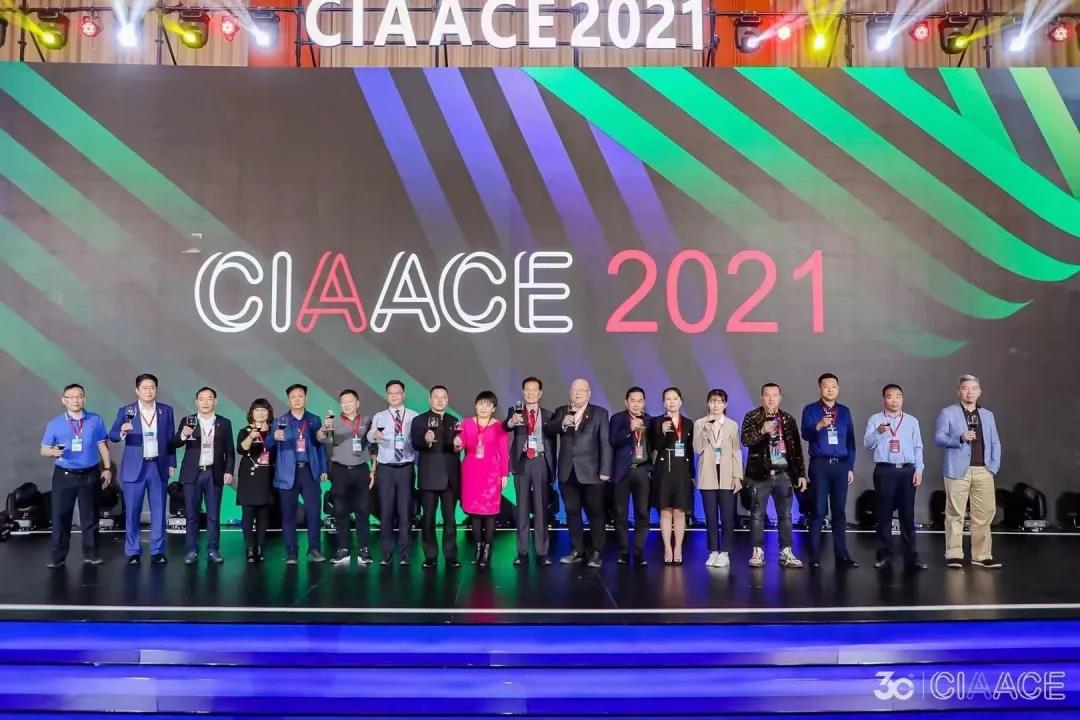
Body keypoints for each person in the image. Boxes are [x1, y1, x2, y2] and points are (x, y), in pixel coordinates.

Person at [40, 383, 112, 568]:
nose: (75, 400)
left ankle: (92, 554)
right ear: (64, 400)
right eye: (71, 397)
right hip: (64, 476)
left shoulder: (95, 420)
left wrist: (106, 468)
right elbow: (43, 450)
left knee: (90, 517)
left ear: (84, 399)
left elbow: (103, 446)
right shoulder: (55, 424)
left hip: (90, 474)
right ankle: (57, 557)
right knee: (60, 517)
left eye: (79, 396)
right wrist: (53, 452)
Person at [934, 374, 1003, 570]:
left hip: (984, 470)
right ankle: (954, 554)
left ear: (979, 392)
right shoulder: (948, 412)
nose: (969, 392)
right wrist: (960, 437)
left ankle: (982, 555)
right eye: (965, 388)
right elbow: (939, 438)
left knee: (984, 515)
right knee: (955, 514)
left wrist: (993, 467)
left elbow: (995, 442)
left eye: (973, 388)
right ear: (958, 392)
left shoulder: (987, 415)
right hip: (957, 470)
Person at [109, 373, 176, 565]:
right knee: (132, 512)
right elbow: (112, 435)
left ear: (156, 389)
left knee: (159, 511)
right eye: (145, 387)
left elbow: (170, 438)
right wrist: (122, 431)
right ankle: (133, 551)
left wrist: (172, 462)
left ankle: (158, 551)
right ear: (137, 390)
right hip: (134, 468)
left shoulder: (166, 411)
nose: (149, 391)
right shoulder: (126, 410)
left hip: (158, 465)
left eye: (152, 387)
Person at [546, 378, 612, 568]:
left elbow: (605, 443)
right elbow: (549, 429)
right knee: (572, 513)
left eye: (582, 390)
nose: (578, 393)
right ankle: (577, 550)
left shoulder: (600, 413)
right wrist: (563, 423)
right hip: (567, 472)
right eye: (575, 390)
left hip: (592, 473)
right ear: (570, 393)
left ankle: (597, 552)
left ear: (589, 394)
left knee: (595, 513)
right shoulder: (561, 411)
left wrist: (605, 469)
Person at [740, 383, 807, 569]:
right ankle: (757, 552)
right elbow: (745, 440)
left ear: (780, 397)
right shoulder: (752, 416)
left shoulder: (788, 419)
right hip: (759, 475)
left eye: (774, 395)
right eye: (767, 395)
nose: (771, 399)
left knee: (785, 515)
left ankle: (786, 552)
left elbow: (796, 449)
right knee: (757, 514)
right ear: (762, 397)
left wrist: (801, 474)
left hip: (783, 473)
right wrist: (762, 431)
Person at [864, 384, 927, 572]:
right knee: (884, 514)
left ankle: (911, 557)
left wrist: (919, 470)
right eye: (890, 396)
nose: (894, 400)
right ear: (883, 399)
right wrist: (878, 432)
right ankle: (884, 556)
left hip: (907, 470)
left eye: (898, 396)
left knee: (907, 515)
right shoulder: (875, 419)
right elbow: (867, 444)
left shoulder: (912, 421)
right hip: (885, 470)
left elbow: (918, 447)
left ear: (902, 399)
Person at [170, 387, 235, 565]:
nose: (205, 402)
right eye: (201, 399)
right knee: (192, 515)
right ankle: (191, 550)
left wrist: (229, 471)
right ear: (196, 402)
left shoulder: (224, 423)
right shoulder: (188, 421)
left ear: (216, 401)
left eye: (209, 398)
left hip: (214, 472)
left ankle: (213, 549)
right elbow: (175, 442)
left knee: (213, 515)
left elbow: (230, 451)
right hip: (192, 473)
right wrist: (183, 434)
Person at [265, 383, 329, 565]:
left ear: (306, 398)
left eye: (300, 396)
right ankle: (291, 550)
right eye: (293, 396)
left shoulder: (314, 420)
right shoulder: (280, 421)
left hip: (309, 470)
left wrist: (324, 468)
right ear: (289, 400)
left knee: (314, 511)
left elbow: (321, 446)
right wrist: (273, 437)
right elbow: (268, 445)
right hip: (287, 473)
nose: (297, 399)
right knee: (288, 514)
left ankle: (314, 548)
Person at [800, 373, 859, 569]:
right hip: (820, 465)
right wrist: (819, 425)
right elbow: (805, 434)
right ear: (819, 389)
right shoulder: (810, 409)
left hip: (841, 465)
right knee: (818, 510)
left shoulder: (844, 411)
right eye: (826, 386)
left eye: (834, 386)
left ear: (838, 388)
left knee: (839, 511)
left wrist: (850, 466)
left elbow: (850, 441)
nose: (830, 389)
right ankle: (814, 555)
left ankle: (842, 554)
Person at [503, 377, 556, 566]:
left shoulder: (549, 414)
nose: (531, 393)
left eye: (534, 390)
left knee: (541, 507)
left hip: (540, 460)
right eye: (527, 389)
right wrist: (511, 422)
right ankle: (522, 551)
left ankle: (542, 552)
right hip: (522, 461)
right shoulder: (515, 411)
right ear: (523, 392)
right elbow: (504, 427)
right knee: (522, 508)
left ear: (540, 393)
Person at [367, 380, 419, 566]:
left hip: (405, 468)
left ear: (403, 394)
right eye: (391, 393)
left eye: (398, 393)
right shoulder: (380, 416)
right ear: (386, 395)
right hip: (386, 469)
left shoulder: (413, 416)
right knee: (386, 511)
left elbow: (419, 439)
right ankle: (386, 553)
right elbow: (369, 435)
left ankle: (404, 554)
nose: (394, 396)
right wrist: (374, 435)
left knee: (405, 513)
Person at [410, 385, 461, 569]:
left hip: (450, 478)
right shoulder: (419, 420)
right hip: (429, 477)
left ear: (448, 399)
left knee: (450, 520)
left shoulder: (454, 420)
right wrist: (426, 439)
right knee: (428, 519)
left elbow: (456, 447)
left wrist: (458, 445)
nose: (440, 400)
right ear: (429, 399)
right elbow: (416, 443)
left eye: (443, 397)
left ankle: (450, 555)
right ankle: (430, 556)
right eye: (436, 397)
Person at [323, 389, 375, 567]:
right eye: (343, 402)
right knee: (340, 511)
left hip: (361, 470)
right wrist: (324, 428)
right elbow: (321, 438)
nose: (346, 404)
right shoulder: (333, 422)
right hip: (340, 471)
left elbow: (372, 446)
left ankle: (364, 549)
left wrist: (373, 469)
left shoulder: (367, 421)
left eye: (350, 401)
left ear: (357, 403)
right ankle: (343, 549)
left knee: (363, 511)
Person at [459, 391, 511, 569]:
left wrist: (505, 474)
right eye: (481, 403)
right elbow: (460, 444)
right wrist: (457, 443)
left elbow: (504, 452)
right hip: (471, 472)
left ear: (493, 408)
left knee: (490, 513)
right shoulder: (466, 423)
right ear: (476, 405)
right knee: (474, 512)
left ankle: (488, 550)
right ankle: (478, 548)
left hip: (491, 474)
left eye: (488, 405)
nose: (484, 407)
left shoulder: (499, 427)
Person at [692, 388, 742, 569]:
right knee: (710, 517)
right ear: (708, 403)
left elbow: (736, 451)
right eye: (713, 401)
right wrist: (705, 432)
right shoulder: (700, 423)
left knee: (727, 517)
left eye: (720, 401)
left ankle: (725, 553)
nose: (716, 405)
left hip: (727, 473)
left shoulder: (732, 425)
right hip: (708, 473)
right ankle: (713, 551)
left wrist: (738, 476)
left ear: (725, 404)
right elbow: (697, 448)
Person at [650, 387, 695, 565]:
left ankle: (678, 548)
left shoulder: (689, 423)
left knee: (680, 511)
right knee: (665, 510)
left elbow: (689, 450)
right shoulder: (656, 422)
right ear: (663, 403)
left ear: (681, 401)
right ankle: (668, 547)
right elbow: (656, 446)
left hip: (682, 469)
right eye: (668, 399)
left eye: (675, 398)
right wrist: (662, 431)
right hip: (664, 469)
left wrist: (692, 474)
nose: (671, 402)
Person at [609, 386, 653, 567]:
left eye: (639, 401)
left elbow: (655, 444)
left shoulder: (650, 420)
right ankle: (624, 551)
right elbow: (613, 441)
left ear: (644, 402)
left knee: (642, 512)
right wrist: (630, 428)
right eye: (632, 400)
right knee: (620, 513)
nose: (636, 404)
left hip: (642, 469)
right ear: (626, 402)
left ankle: (639, 551)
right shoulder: (618, 418)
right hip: (622, 470)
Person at [235, 398, 275, 563]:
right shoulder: (245, 431)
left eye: (264, 410)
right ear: (251, 413)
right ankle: (250, 549)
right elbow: (241, 449)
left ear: (268, 413)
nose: (260, 413)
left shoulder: (274, 431)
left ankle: (260, 547)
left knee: (263, 516)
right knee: (248, 514)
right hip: (249, 476)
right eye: (257, 410)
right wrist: (251, 436)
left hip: (267, 476)